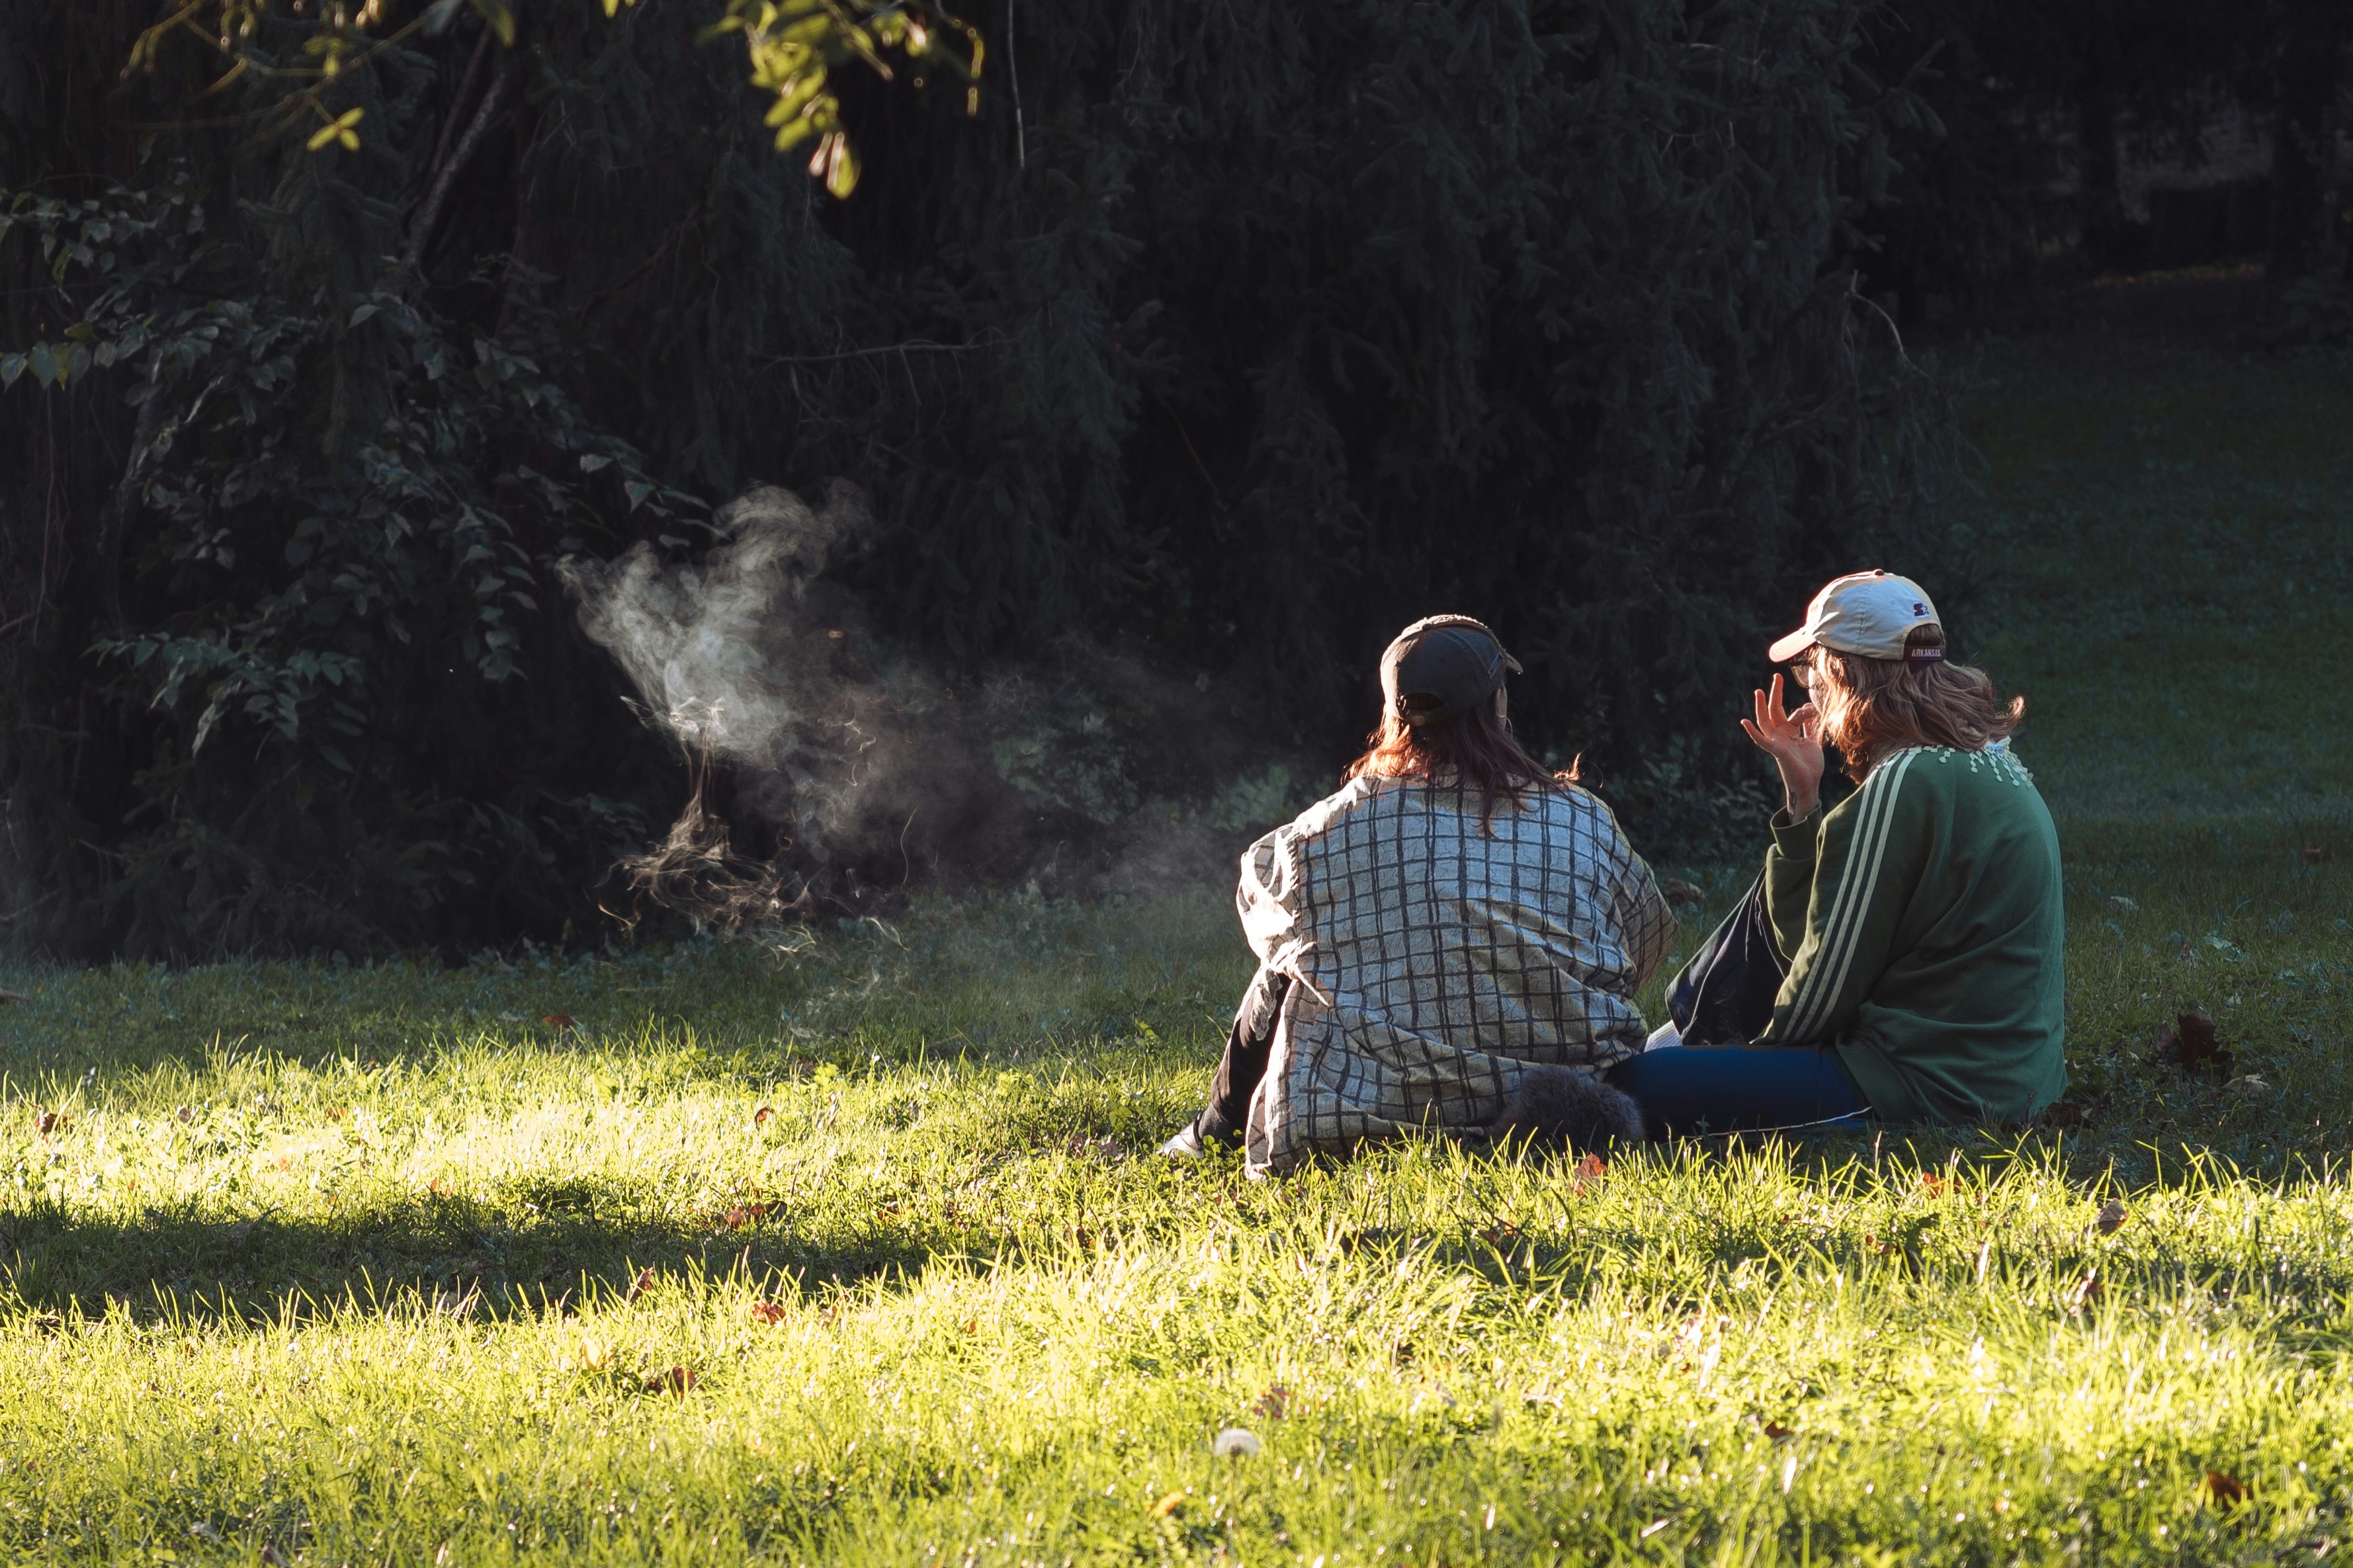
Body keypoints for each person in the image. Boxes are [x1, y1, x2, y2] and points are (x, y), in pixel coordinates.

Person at [1159, 615, 1674, 1175]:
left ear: (1392, 713)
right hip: (1561, 1114)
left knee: (1290, 961)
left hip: (1364, 1130)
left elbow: (1261, 920)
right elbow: (1646, 945)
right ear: (1497, 703)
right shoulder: (1582, 821)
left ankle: (1209, 1132)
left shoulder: (1314, 840)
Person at [1614, 569, 2067, 1134]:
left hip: (1925, 1088)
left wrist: (1746, 1063)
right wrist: (1802, 803)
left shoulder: (1902, 784)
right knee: (1666, 1065)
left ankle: (1676, 1037)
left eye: (1809, 669)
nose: (1808, 686)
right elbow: (1810, 939)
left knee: (1633, 1084)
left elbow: (1817, 997)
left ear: (1839, 672)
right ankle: (1684, 1030)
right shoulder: (1984, 758)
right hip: (2010, 1080)